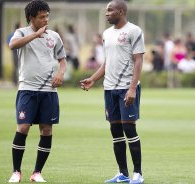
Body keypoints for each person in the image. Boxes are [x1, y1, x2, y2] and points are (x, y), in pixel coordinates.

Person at [80, 0, 145, 183]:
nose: (106, 13)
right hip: (109, 88)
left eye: (110, 10)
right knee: (115, 129)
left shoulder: (134, 31)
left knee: (128, 128)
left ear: (121, 11)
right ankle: (123, 174)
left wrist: (132, 88)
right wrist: (93, 79)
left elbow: (138, 60)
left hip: (127, 87)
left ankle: (138, 174)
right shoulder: (107, 34)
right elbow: (107, 63)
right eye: (106, 10)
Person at [8, 0, 67, 182]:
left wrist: (60, 73)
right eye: (42, 17)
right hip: (28, 89)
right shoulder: (22, 33)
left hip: (49, 92)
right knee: (23, 127)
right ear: (31, 18)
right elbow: (13, 45)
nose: (46, 20)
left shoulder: (54, 36)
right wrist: (36, 35)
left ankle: (37, 172)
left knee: (46, 130)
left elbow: (62, 60)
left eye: (47, 16)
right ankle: (16, 172)